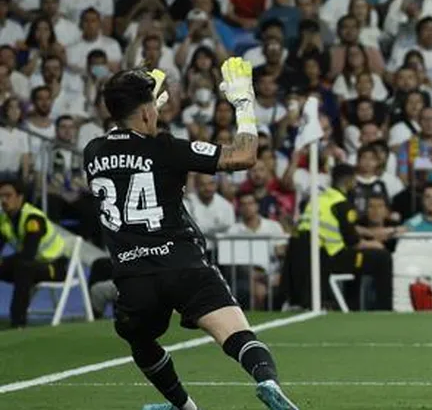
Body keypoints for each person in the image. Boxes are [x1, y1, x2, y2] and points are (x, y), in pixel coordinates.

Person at [83, 59, 299, 410]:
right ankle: (266, 379)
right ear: (147, 113)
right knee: (234, 332)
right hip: (182, 263)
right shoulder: (167, 148)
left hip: (133, 276)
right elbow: (243, 156)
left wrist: (146, 109)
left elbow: (129, 142)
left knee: (140, 340)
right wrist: (244, 102)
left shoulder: (92, 152)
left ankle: (184, 406)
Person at [283, 164, 393, 311]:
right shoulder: (342, 204)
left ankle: (352, 305)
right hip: (328, 257)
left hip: (303, 253)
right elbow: (353, 242)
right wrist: (375, 244)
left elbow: (337, 226)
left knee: (360, 259)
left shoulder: (321, 198)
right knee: (382, 258)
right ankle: (384, 309)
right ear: (349, 181)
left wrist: (368, 233)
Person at [0, 179, 68, 328]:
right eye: (1, 196)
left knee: (23, 267)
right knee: (22, 266)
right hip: (31, 266)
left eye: (8, 195)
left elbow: (28, 254)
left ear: (20, 197)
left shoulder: (33, 218)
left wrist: (4, 262)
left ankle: (18, 322)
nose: (3, 200)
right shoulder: (4, 220)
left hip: (55, 267)